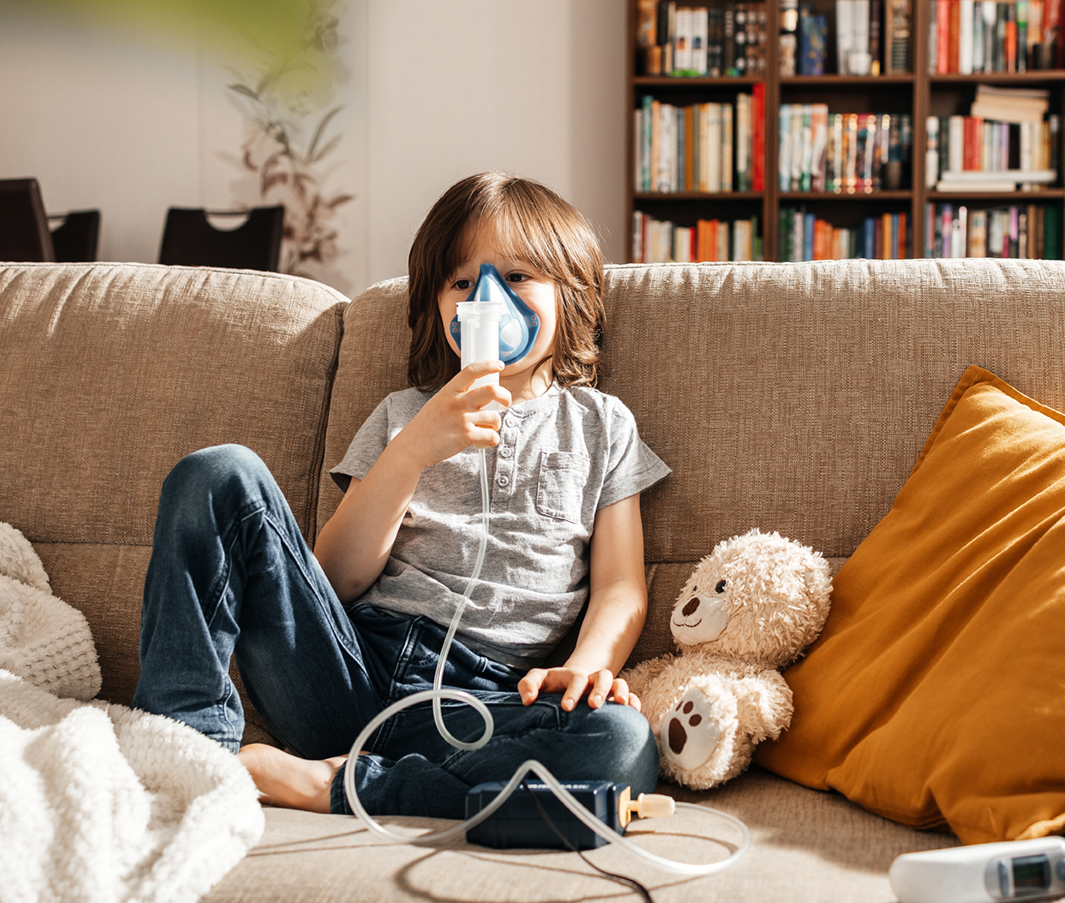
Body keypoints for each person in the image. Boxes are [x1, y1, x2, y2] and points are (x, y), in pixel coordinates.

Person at [131, 172, 671, 818]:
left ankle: (335, 784)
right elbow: (334, 577)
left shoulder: (600, 425)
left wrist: (587, 666)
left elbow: (619, 587)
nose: (487, 299)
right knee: (217, 474)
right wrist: (413, 449)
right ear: (437, 305)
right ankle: (185, 748)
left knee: (622, 744)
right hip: (346, 668)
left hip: (487, 704)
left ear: (572, 291)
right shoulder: (401, 416)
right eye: (462, 282)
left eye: (517, 275)